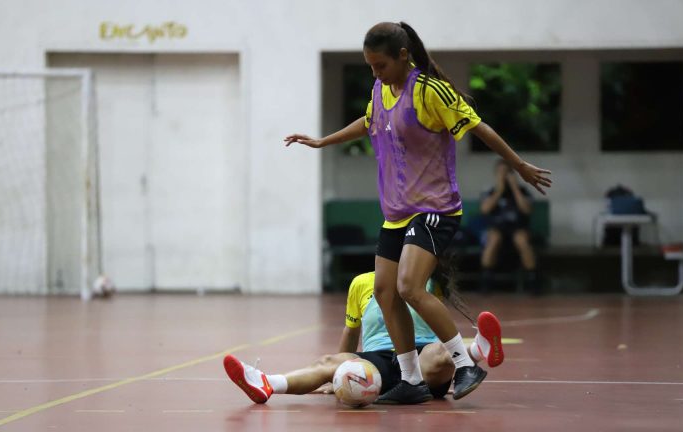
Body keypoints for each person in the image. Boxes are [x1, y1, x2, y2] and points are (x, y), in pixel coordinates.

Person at [284, 21, 551, 404]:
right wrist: (325, 141)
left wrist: (519, 165)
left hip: (435, 209)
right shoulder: (380, 89)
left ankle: (466, 364)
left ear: (403, 56)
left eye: (381, 65)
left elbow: (479, 127)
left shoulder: (429, 90)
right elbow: (371, 121)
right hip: (397, 212)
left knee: (409, 287)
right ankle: (410, 379)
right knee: (384, 290)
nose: (375, 73)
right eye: (370, 66)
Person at [223, 272, 504, 404]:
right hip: (377, 361)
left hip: (421, 358)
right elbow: (351, 331)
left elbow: (440, 323)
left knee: (440, 353)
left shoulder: (422, 282)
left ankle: (480, 348)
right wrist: (335, 375)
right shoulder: (360, 283)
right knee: (330, 361)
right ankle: (266, 383)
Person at [480, 159, 539, 293]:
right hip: (497, 229)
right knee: (493, 239)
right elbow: (485, 209)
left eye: (506, 172)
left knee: (521, 240)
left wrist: (515, 188)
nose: (504, 175)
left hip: (518, 228)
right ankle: (486, 281)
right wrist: (499, 190)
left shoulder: (522, 191)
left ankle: (533, 280)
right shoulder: (490, 191)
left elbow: (526, 209)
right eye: (500, 172)